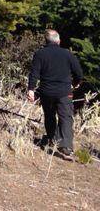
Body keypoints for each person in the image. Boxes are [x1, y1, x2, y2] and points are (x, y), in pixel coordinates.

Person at [27, 29, 83, 158]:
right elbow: (78, 72)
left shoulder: (40, 54)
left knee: (50, 116)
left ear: (46, 41)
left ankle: (53, 140)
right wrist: (76, 83)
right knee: (66, 117)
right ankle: (66, 147)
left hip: (46, 91)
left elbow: (34, 73)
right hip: (64, 92)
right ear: (58, 40)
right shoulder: (67, 54)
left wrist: (31, 89)